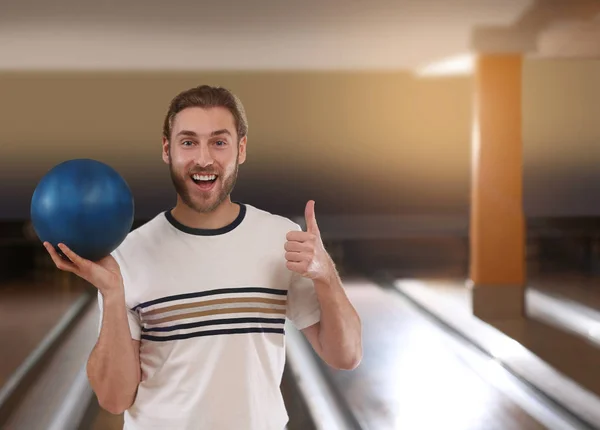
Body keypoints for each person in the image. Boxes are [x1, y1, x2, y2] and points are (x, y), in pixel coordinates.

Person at [43, 85, 363, 430]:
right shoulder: (129, 255)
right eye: (188, 142)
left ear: (241, 149)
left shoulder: (279, 238)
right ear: (168, 149)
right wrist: (113, 294)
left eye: (219, 142)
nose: (204, 159)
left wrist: (325, 274)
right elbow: (114, 398)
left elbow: (346, 355)